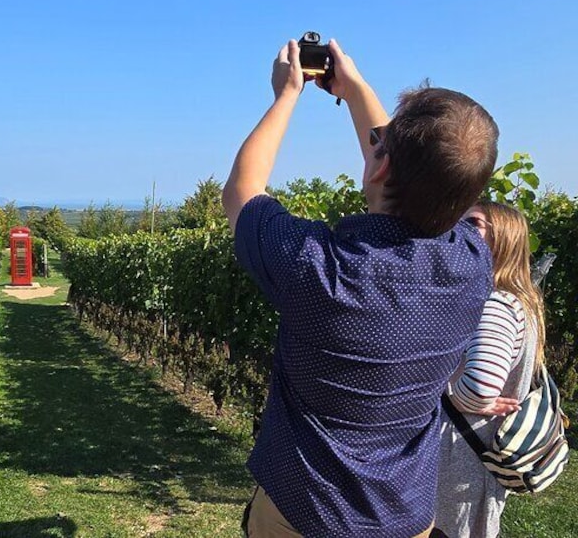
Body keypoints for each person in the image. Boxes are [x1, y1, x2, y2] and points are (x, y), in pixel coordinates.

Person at [222, 38, 499, 537]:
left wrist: (286, 95)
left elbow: (242, 192)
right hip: (405, 518)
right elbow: (420, 176)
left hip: (302, 517)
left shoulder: (317, 269)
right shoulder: (473, 264)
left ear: (379, 165)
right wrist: (355, 91)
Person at [433, 201, 545, 538]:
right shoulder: (522, 301)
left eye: (474, 223)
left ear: (504, 238)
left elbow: (480, 389)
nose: (458, 230)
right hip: (479, 453)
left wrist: (445, 386)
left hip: (459, 458)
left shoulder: (496, 303)